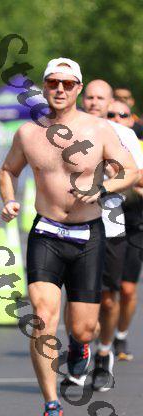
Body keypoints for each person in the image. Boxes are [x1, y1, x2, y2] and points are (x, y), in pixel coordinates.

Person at [0, 59, 138, 416]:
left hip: (87, 235)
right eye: (53, 83)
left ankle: (80, 346)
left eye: (67, 83)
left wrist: (102, 187)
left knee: (84, 327)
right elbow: (8, 170)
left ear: (77, 88)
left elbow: (130, 171)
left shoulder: (99, 129)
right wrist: (8, 199)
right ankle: (51, 404)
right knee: (43, 317)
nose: (59, 89)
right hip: (46, 232)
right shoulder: (28, 133)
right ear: (44, 87)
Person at [82, 82, 143, 391]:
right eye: (90, 97)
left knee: (115, 295)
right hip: (78, 223)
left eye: (101, 99)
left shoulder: (127, 136)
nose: (95, 103)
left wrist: (112, 180)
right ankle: (80, 344)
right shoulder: (69, 130)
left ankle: (108, 347)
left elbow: (137, 176)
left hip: (121, 221)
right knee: (80, 298)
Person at [107, 100, 143, 360]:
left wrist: (129, 180)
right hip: (105, 221)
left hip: (134, 222)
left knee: (128, 289)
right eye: (111, 114)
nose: (117, 118)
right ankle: (97, 338)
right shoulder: (95, 142)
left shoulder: (136, 146)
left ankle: (120, 335)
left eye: (123, 115)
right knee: (106, 290)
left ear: (132, 120)